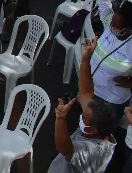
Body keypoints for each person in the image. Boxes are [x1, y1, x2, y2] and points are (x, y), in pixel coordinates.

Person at [47, 38, 118, 173]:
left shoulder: (91, 152)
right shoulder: (100, 125)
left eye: (84, 117)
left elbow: (64, 147)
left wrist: (61, 119)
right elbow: (86, 93)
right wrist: (86, 58)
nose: (82, 115)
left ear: (92, 130)